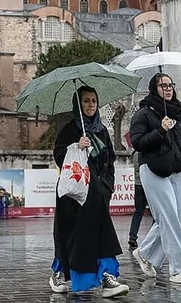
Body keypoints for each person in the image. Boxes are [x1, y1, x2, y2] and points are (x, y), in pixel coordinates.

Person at [129, 73, 181, 286]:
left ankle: (145, 253)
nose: (167, 88)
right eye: (162, 85)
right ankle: (178, 269)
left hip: (176, 173)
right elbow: (138, 144)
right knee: (170, 218)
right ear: (154, 88)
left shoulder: (178, 115)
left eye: (170, 85)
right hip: (153, 171)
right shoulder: (144, 114)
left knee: (172, 218)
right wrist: (160, 130)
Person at [50, 86, 128, 298]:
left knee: (102, 233)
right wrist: (76, 146)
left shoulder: (101, 130)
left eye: (94, 101)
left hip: (97, 194)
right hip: (73, 197)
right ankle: (59, 272)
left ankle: (106, 277)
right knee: (71, 236)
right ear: (78, 104)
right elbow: (59, 156)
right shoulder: (69, 129)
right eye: (86, 101)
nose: (91, 105)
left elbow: (109, 159)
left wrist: (107, 187)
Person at [127, 149, 151, 249]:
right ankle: (152, 237)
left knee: (138, 212)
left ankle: (132, 236)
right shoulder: (146, 152)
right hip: (148, 183)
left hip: (138, 184)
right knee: (155, 213)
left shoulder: (135, 154)